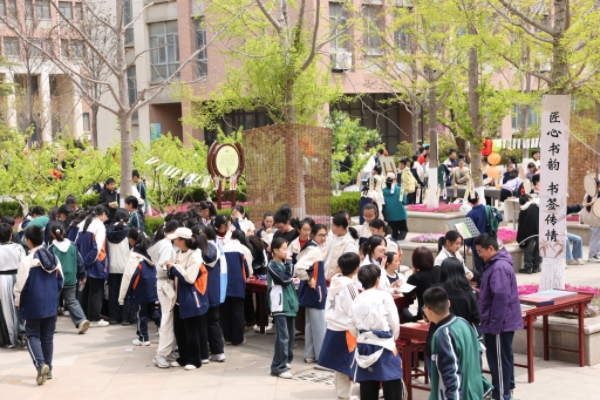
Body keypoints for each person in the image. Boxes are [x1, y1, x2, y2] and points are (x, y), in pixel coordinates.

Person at [13, 225, 64, 385]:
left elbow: (20, 286)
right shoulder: (54, 258)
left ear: (28, 241)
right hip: (51, 303)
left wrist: (18, 302)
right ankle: (48, 369)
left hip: (32, 304)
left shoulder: (27, 261)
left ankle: (40, 364)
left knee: (32, 335)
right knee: (47, 337)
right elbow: (60, 280)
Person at [475, 234, 523, 400]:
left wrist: (494, 324)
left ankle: (501, 395)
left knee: (499, 362)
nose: (479, 255)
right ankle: (507, 390)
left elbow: (500, 298)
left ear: (490, 248)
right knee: (504, 358)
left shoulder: (498, 267)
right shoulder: (496, 264)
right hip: (500, 322)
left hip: (498, 324)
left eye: (480, 251)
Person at [423, 287, 492, 400]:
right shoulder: (463, 323)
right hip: (474, 393)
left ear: (428, 310)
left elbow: (451, 374)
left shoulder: (444, 334)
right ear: (449, 303)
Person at [348, 264, 402, 400]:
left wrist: (362, 336)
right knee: (392, 384)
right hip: (385, 344)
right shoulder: (385, 296)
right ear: (378, 279)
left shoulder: (357, 299)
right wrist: (393, 338)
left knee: (367, 387)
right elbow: (394, 322)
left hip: (364, 345)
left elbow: (351, 325)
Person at [165, 227, 209, 370]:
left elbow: (189, 278)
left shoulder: (195, 255)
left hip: (192, 297)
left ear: (182, 241)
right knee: (179, 330)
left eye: (175, 239)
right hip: (179, 297)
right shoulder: (179, 253)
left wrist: (174, 268)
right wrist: (170, 268)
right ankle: (183, 358)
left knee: (191, 331)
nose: (174, 241)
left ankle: (195, 360)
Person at [318, 253, 360, 400]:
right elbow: (355, 309)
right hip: (345, 330)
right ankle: (343, 396)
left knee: (338, 365)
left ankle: (341, 394)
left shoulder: (335, 282)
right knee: (345, 365)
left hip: (333, 327)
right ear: (356, 268)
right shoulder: (348, 285)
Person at [294, 224, 328, 363]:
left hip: (310, 290)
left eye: (325, 235)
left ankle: (310, 354)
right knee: (319, 324)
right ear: (313, 235)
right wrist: (309, 278)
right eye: (320, 235)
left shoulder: (311, 247)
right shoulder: (314, 250)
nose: (323, 238)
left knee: (310, 324)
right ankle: (322, 357)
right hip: (315, 291)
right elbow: (299, 267)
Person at [119, 229, 158, 346]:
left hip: (140, 288)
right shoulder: (150, 252)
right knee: (153, 312)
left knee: (141, 314)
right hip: (153, 287)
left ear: (131, 240)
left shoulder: (134, 255)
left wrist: (122, 297)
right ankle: (164, 331)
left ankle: (143, 338)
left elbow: (128, 276)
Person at [148, 220, 179, 368]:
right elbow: (162, 267)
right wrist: (174, 267)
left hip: (163, 284)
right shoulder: (166, 246)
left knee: (168, 317)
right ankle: (161, 354)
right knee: (167, 318)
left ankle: (168, 350)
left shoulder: (162, 243)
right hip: (166, 283)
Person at [48, 223, 89, 334]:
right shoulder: (72, 246)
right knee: (72, 301)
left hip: (55, 280)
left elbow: (48, 265)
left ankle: (51, 326)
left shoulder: (51, 248)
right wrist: (82, 275)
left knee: (53, 302)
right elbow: (80, 262)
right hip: (71, 279)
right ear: (64, 231)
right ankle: (81, 320)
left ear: (51, 234)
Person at [268, 237, 299, 379]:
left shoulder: (283, 263)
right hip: (280, 305)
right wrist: (290, 262)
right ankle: (278, 367)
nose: (287, 252)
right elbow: (285, 279)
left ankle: (287, 361)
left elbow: (289, 276)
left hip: (289, 304)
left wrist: (288, 263)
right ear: (275, 250)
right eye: (284, 249)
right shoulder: (272, 265)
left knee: (290, 335)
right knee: (283, 337)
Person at [76, 205, 110, 327]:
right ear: (103, 214)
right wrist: (87, 263)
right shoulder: (99, 226)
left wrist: (81, 264)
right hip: (96, 264)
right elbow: (97, 248)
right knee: (96, 292)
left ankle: (84, 317)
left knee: (85, 292)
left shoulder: (82, 224)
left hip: (84, 263)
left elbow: (76, 246)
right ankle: (94, 318)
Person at [197, 225, 226, 363]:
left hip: (201, 292)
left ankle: (204, 355)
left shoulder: (197, 254)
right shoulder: (216, 250)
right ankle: (218, 352)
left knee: (201, 323)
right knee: (214, 321)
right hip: (214, 291)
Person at [221, 230, 253, 346]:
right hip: (237, 283)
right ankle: (238, 339)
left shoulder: (223, 247)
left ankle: (228, 338)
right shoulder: (243, 249)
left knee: (225, 311)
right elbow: (248, 269)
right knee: (237, 311)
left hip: (223, 282)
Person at [0, 222, 26, 347]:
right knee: (19, 306)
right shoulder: (18, 248)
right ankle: (22, 333)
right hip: (18, 277)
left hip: (2, 280)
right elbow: (24, 264)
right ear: (11, 235)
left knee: (5, 309)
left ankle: (9, 339)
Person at [106, 209, 132, 325]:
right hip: (125, 266)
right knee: (126, 292)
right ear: (127, 218)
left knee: (113, 293)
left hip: (111, 267)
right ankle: (126, 318)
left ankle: (114, 317)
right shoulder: (129, 232)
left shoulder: (108, 232)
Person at [439, 258, 481, 328]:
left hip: (442, 329)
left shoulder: (438, 291)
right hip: (464, 329)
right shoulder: (467, 290)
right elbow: (476, 317)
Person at [403, 246, 440, 322]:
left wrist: (414, 275)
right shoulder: (439, 269)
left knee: (403, 319)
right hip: (441, 312)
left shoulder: (416, 277)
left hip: (424, 316)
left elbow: (405, 293)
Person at [324, 214, 359, 280]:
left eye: (333, 226)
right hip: (327, 276)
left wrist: (330, 277)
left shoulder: (349, 243)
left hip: (338, 279)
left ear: (340, 227)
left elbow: (345, 265)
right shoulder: (334, 237)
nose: (331, 228)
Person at [465, 193, 489, 279]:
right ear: (479, 198)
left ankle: (481, 284)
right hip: (488, 243)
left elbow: (469, 232)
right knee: (488, 266)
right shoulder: (487, 210)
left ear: (469, 201)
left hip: (476, 246)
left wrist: (468, 245)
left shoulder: (470, 214)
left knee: (478, 269)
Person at [517, 195, 541, 274]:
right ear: (529, 199)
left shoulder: (523, 209)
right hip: (540, 230)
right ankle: (536, 267)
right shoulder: (537, 206)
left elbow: (521, 223)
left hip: (528, 233)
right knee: (538, 248)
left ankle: (528, 268)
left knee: (528, 249)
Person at [381, 175, 408, 240]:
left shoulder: (383, 191)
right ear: (394, 180)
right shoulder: (400, 189)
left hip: (389, 215)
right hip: (400, 214)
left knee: (393, 233)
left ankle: (395, 242)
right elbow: (404, 201)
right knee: (404, 230)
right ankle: (399, 242)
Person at [579, 179, 600, 263]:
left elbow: (583, 207)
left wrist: (581, 218)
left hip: (592, 219)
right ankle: (591, 256)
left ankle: (595, 254)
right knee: (596, 238)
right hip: (596, 219)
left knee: (596, 237)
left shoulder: (588, 193)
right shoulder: (596, 194)